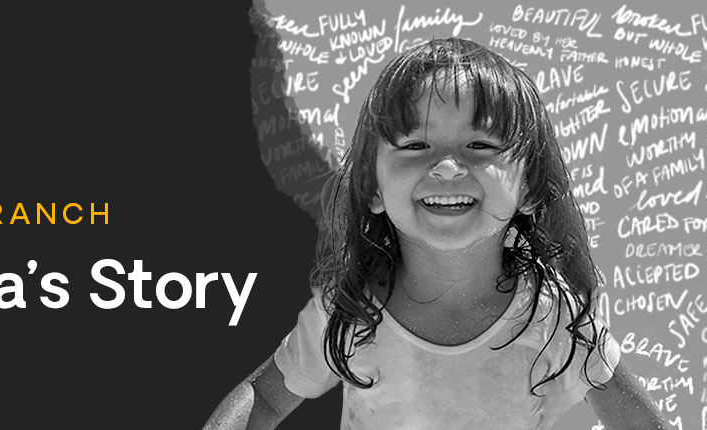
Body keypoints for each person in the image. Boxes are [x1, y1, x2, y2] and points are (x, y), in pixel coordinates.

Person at [203, 37, 667, 430]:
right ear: (373, 188)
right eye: (415, 145)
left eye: (480, 145)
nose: (446, 167)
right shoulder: (350, 313)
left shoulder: (555, 318)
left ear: (529, 187)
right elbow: (262, 400)